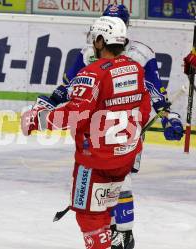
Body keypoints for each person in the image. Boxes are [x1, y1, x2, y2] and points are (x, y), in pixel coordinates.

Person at [34, 4, 184, 249]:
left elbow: (155, 90)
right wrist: (50, 102)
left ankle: (122, 231)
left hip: (121, 127)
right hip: (101, 129)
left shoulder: (141, 54)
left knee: (119, 179)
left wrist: (168, 116)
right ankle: (112, 229)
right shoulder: (88, 52)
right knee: (110, 181)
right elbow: (67, 86)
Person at [22, 16, 151, 249]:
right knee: (106, 209)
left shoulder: (92, 73)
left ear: (101, 41)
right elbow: (143, 108)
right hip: (124, 157)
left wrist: (38, 119)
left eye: (95, 38)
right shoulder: (135, 69)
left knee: (89, 215)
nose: (92, 42)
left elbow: (74, 114)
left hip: (95, 161)